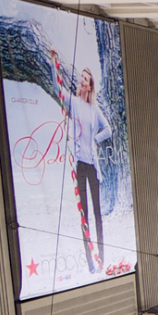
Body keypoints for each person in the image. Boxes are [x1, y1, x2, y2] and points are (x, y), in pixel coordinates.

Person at [65, 66, 113, 274]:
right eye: (81, 78)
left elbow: (108, 129)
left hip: (92, 166)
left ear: (90, 85)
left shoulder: (94, 109)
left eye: (86, 79)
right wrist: (52, 60)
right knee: (83, 215)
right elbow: (57, 86)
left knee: (97, 214)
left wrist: (95, 139)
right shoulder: (74, 103)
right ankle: (90, 262)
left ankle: (101, 257)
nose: (83, 81)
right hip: (80, 166)